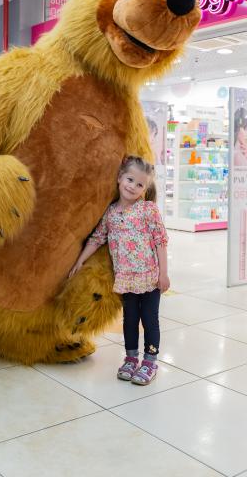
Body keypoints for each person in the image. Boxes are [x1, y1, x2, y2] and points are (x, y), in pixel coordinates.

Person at [69, 155, 169, 385]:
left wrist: (163, 274)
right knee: (129, 320)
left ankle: (150, 362)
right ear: (120, 178)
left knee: (150, 320)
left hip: (150, 278)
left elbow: (160, 241)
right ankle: (131, 359)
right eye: (130, 179)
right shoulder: (111, 213)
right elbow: (97, 239)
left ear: (145, 189)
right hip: (125, 279)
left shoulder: (148, 210)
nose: (133, 186)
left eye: (140, 184)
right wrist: (80, 261)